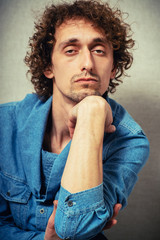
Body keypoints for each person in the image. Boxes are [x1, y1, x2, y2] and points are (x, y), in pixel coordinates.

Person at [0, 0, 149, 239]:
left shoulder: (130, 141)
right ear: (49, 66)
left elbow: (75, 227)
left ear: (112, 68)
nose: (87, 64)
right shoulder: (4, 124)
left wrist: (92, 110)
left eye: (99, 51)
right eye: (71, 50)